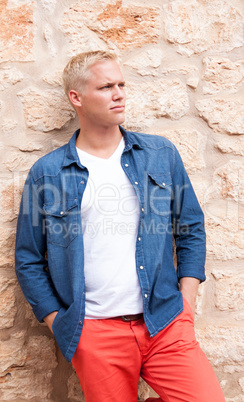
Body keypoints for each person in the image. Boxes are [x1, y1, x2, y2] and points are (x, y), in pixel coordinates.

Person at [15, 50, 225, 402]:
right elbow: (29, 258)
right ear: (76, 98)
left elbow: (190, 226)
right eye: (106, 86)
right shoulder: (48, 173)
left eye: (122, 84)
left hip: (165, 322)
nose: (119, 93)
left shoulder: (160, 154)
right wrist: (61, 324)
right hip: (95, 332)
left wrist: (186, 300)